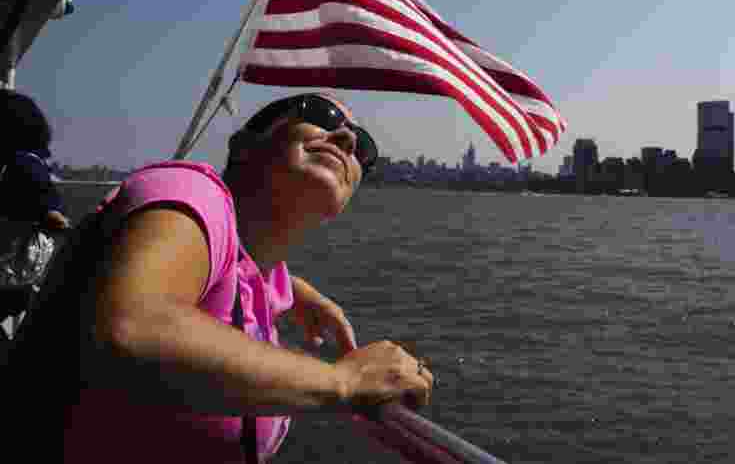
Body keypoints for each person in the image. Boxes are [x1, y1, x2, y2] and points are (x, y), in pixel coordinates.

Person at [9, 92, 433, 462]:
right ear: (244, 144)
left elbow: (239, 265)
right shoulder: (190, 188)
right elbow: (135, 329)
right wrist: (343, 381)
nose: (347, 140)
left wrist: (291, 288)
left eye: (365, 152)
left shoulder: (254, 273)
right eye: (321, 116)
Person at [0, 90, 71, 337]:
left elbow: (50, 214)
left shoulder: (22, 165)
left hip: (8, 273)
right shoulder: (29, 163)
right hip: (15, 279)